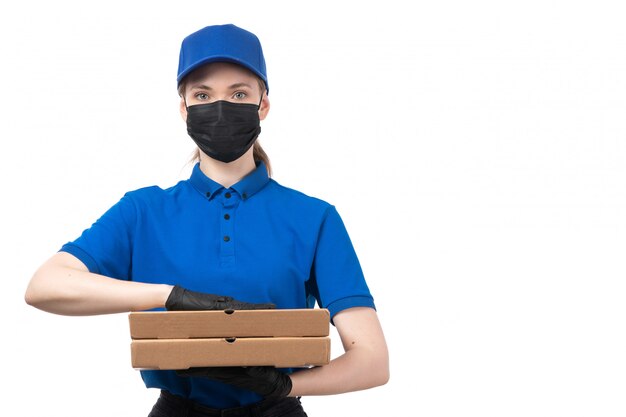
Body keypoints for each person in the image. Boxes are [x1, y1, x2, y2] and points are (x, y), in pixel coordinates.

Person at [24, 23, 389, 417]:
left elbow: (372, 360)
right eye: (203, 94)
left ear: (263, 104)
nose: (221, 107)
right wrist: (168, 296)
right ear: (184, 108)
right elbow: (44, 287)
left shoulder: (314, 217)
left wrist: (285, 386)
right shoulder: (142, 211)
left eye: (238, 93)